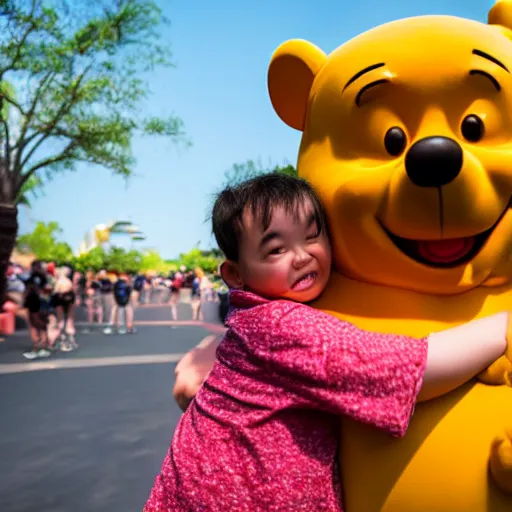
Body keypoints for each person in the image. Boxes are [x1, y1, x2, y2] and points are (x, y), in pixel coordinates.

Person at [144, 174, 512, 512]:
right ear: (236, 274)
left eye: (312, 235)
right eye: (276, 250)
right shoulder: (279, 324)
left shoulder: (250, 320)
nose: (303, 256)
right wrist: (502, 326)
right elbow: (405, 369)